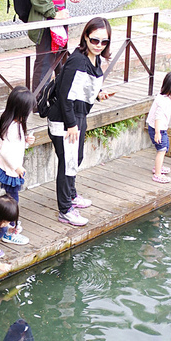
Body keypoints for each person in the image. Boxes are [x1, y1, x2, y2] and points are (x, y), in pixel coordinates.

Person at [49, 17, 116, 227]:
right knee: (68, 162)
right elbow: (64, 94)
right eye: (95, 40)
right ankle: (65, 209)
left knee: (75, 158)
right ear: (86, 36)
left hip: (78, 116)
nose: (99, 46)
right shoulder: (78, 60)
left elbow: (81, 89)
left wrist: (98, 95)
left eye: (104, 42)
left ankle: (71, 194)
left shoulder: (94, 59)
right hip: (65, 118)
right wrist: (70, 125)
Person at [0, 87, 36, 246]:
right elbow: (6, 151)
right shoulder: (13, 127)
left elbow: (14, 146)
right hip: (10, 170)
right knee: (12, 200)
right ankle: (9, 229)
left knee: (11, 198)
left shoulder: (14, 122)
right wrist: (17, 167)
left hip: (8, 168)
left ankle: (8, 224)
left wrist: (25, 140)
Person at [28, 0, 83, 92]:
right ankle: (38, 105)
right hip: (46, 24)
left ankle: (59, 100)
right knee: (45, 65)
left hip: (57, 23)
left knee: (60, 61)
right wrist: (54, 13)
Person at [146, 71, 171, 184]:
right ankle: (157, 174)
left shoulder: (165, 97)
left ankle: (159, 167)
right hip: (157, 128)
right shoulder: (163, 101)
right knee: (161, 150)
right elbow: (158, 117)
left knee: (164, 148)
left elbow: (170, 110)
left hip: (160, 128)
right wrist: (157, 133)